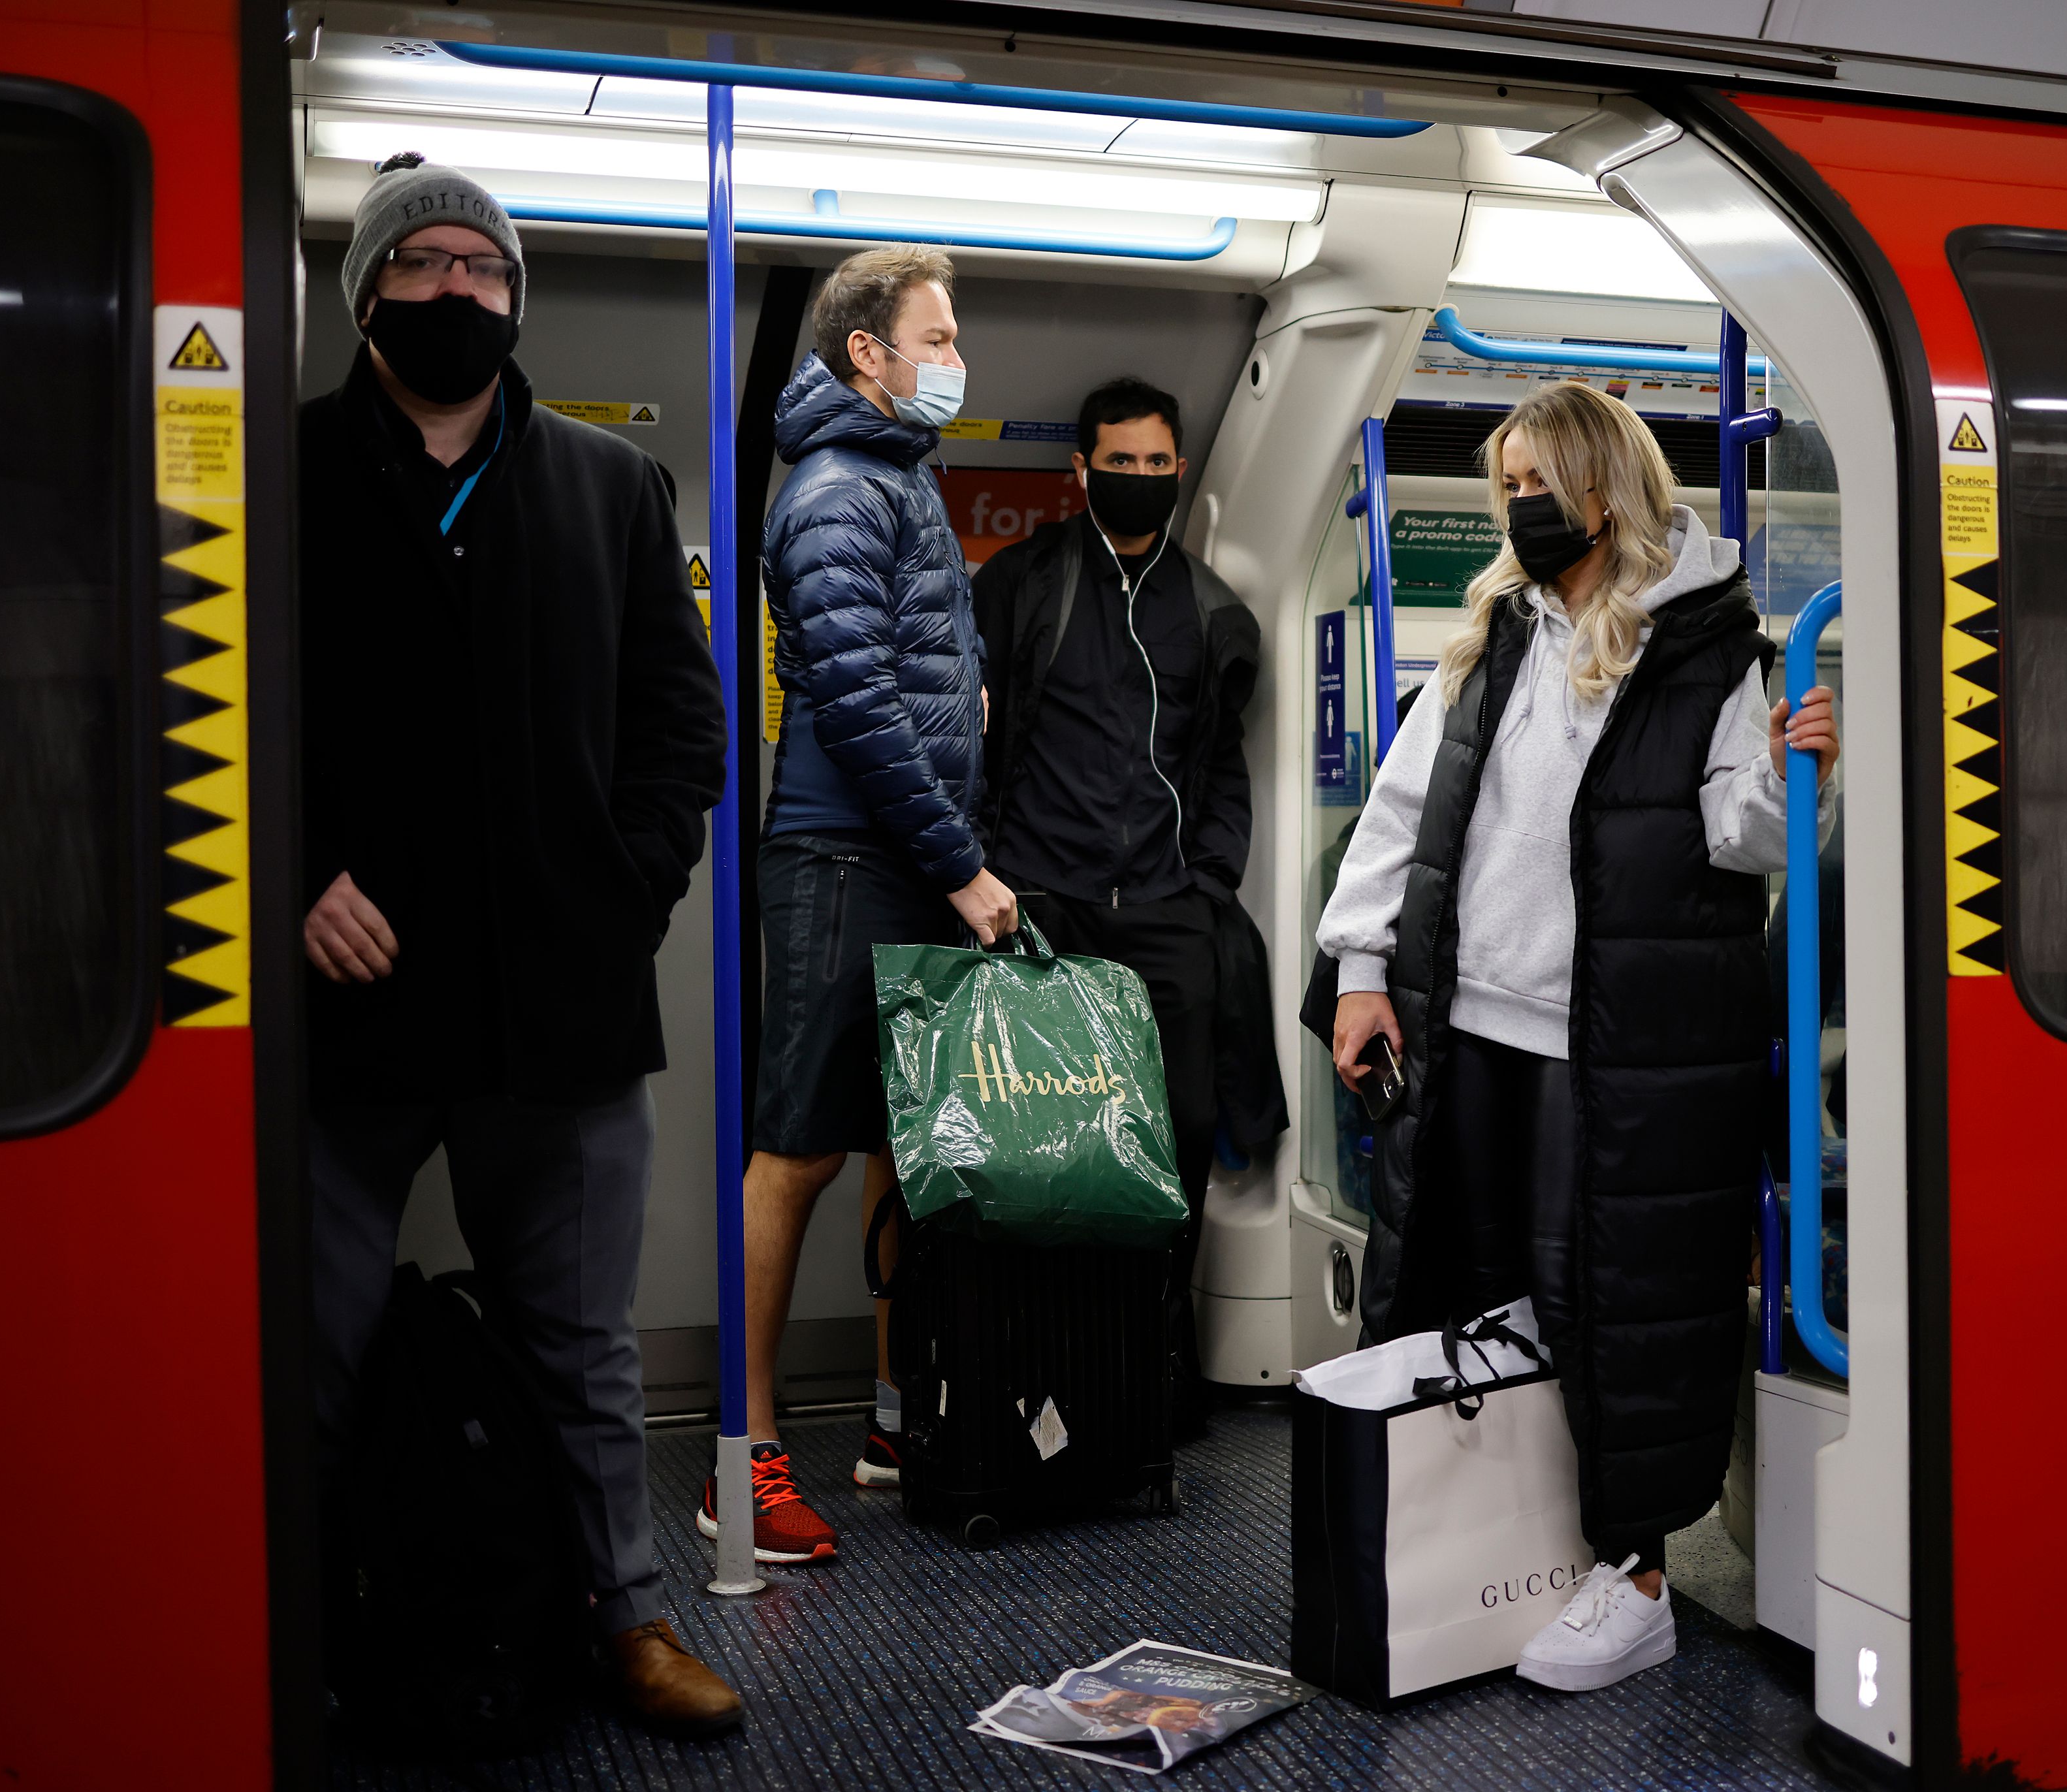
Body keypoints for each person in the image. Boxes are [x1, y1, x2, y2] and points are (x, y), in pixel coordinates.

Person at [297, 155, 737, 1735]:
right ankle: (306, 1622)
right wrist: (292, 882)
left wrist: (621, 900)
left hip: (559, 1002)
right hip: (343, 1000)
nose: (457, 289)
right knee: (312, 1338)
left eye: (483, 268)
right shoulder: (278, 473)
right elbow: (198, 708)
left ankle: (627, 1617)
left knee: (584, 1348)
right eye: (422, 264)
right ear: (367, 296)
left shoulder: (609, 487)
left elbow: (682, 733)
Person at [1313, 379, 1838, 1694]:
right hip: (1468, 1025)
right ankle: (1511, 1544)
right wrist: (1360, 970)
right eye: (1506, 487)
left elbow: (1745, 841)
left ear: (1602, 490)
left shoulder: (1707, 648)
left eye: (1534, 485)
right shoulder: (1497, 633)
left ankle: (1637, 1577)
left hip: (1610, 1044)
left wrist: (1801, 771)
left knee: (1606, 1304)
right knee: (1478, 1286)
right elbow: (1402, 815)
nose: (1517, 509)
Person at [701, 245, 1014, 1565]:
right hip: (844, 857)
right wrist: (961, 864)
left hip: (909, 851)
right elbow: (857, 706)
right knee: (799, 1149)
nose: (956, 361)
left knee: (903, 1143)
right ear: (867, 355)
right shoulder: (837, 489)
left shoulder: (899, 477)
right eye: (935, 340)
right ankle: (744, 1454)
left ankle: (895, 1419)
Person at [969, 377, 1281, 1423]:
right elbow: (973, 736)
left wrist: (1211, 879)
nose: (1140, 479)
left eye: (1156, 464)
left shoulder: (1210, 609)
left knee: (1180, 1131)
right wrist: (982, 872)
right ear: (1082, 470)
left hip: (1164, 906)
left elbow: (1222, 762)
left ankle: (1152, 1361)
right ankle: (1044, 1371)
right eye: (1121, 463)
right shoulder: (1022, 584)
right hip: (1042, 902)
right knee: (1045, 1149)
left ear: (1180, 470)